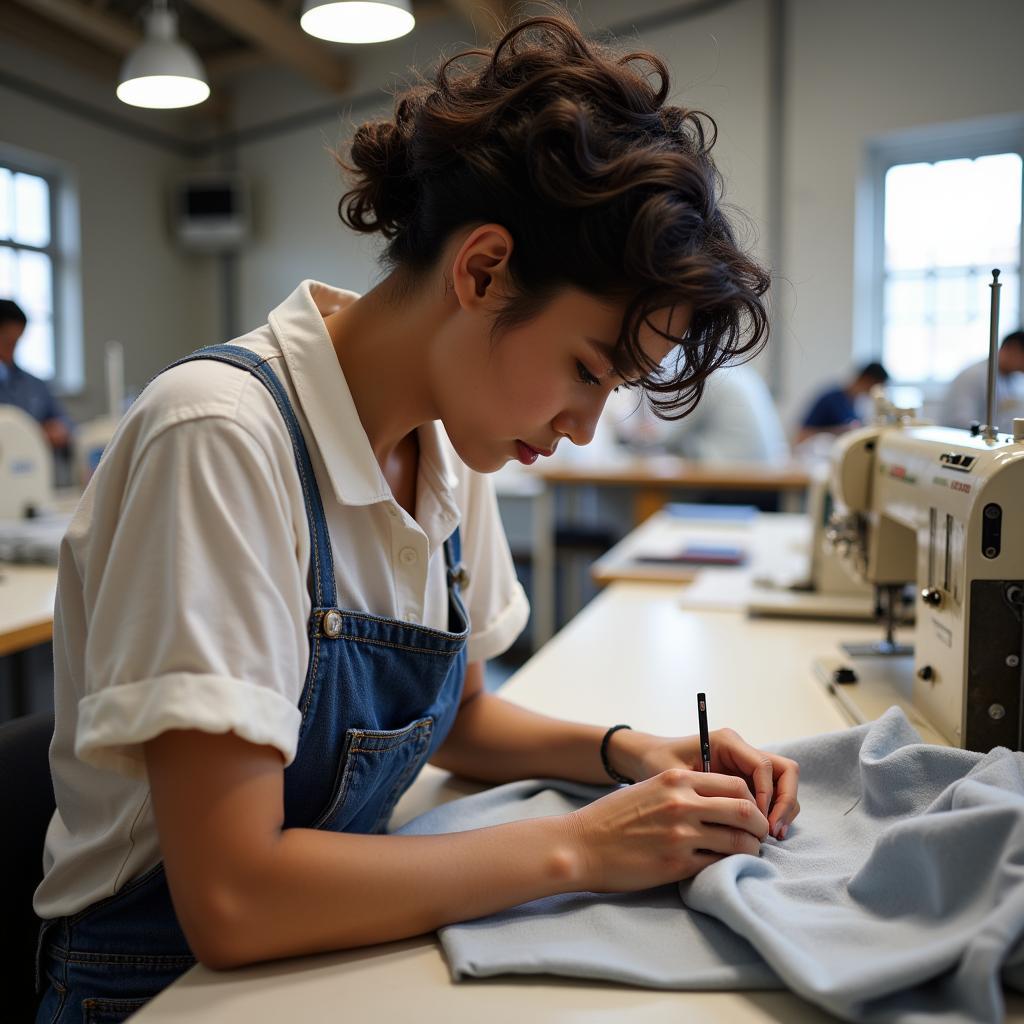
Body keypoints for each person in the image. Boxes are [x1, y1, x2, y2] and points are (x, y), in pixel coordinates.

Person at [34, 15, 800, 1022]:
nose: (581, 426)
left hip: (314, 944)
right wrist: (585, 845)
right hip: (157, 980)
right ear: (482, 272)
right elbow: (230, 897)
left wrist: (633, 753)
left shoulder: (447, 440)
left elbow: (463, 718)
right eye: (585, 369)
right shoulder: (222, 437)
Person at [612, 362, 790, 465]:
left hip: (735, 483)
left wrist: (625, 428)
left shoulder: (710, 378)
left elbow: (668, 436)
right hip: (766, 479)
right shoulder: (738, 371)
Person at [0, 299, 73, 451]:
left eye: (16, 342)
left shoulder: (34, 385)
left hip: (31, 468)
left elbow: (66, 423)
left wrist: (59, 429)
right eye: (7, 341)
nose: (11, 349)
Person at [939, 329, 1024, 434]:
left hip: (996, 445)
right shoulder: (973, 376)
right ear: (1013, 349)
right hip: (967, 444)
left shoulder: (1013, 379)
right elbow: (959, 422)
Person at [795, 361, 889, 443]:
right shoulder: (830, 400)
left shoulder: (857, 404)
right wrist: (840, 431)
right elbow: (802, 435)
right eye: (877, 386)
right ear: (867, 380)